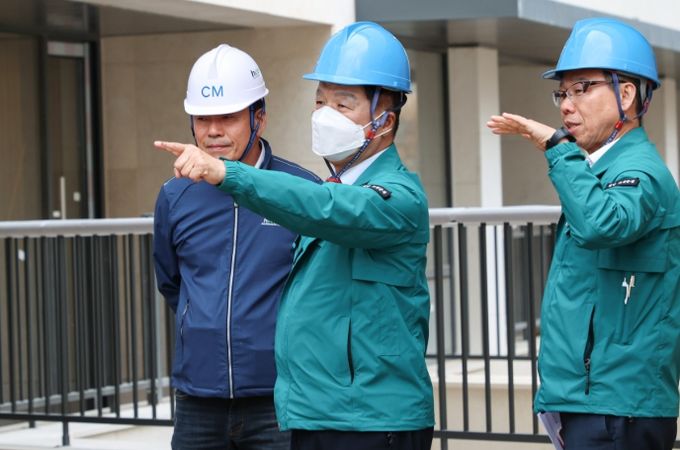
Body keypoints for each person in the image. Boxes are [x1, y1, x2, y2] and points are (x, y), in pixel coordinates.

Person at [155, 21, 435, 450]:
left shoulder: (390, 195)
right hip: (312, 410)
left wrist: (228, 175)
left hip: (369, 419)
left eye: (343, 104)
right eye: (320, 101)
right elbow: (172, 281)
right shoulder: (180, 196)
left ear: (384, 121)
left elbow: (325, 209)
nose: (325, 114)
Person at [487, 18, 680, 450]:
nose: (566, 106)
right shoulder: (601, 169)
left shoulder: (639, 171)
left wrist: (559, 150)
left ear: (626, 95)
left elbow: (601, 224)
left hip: (618, 407)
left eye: (582, 89)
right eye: (562, 93)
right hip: (592, 402)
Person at [153, 44, 320, 450]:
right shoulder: (174, 196)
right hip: (197, 401)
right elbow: (171, 282)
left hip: (280, 401)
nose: (213, 131)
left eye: (227, 117)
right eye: (202, 118)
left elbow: (320, 290)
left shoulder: (300, 189)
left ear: (259, 117)